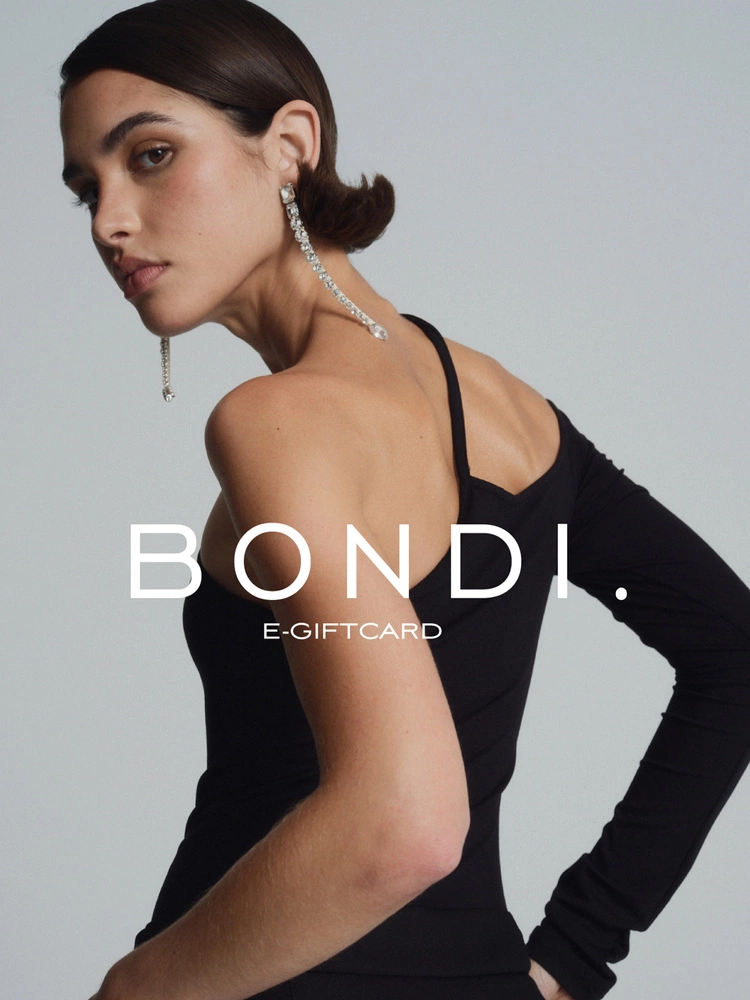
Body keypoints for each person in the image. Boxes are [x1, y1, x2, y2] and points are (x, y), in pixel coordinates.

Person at [58, 2, 750, 998]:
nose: (108, 222)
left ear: (291, 145)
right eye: (88, 188)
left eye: (151, 156)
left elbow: (408, 820)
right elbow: (735, 647)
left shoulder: (271, 420)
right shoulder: (513, 413)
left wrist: (134, 991)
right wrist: (572, 955)